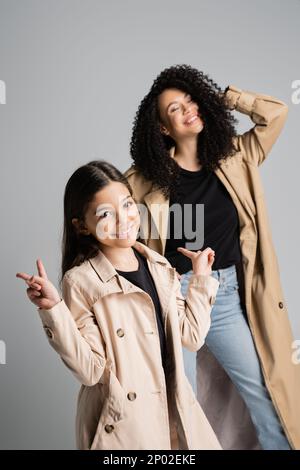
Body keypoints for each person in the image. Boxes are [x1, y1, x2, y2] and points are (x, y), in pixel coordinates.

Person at [125, 64, 300, 449]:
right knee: (179, 407)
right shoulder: (143, 179)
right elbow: (109, 221)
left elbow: (277, 114)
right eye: (175, 109)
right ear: (162, 130)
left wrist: (222, 97)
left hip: (224, 296)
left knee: (266, 396)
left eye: (191, 100)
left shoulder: (237, 156)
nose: (188, 109)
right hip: (173, 299)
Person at [16, 160, 221, 450]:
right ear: (81, 226)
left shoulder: (159, 266)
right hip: (126, 426)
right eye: (105, 214)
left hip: (175, 413)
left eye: (127, 205)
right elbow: (90, 371)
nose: (124, 220)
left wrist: (200, 279)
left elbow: (192, 337)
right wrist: (54, 310)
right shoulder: (81, 282)